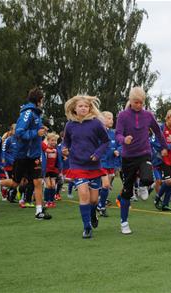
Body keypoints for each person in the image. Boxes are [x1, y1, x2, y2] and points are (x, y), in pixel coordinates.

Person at [0, 88, 51, 220]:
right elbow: (19, 132)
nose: (43, 102)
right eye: (42, 99)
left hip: (34, 155)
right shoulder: (28, 113)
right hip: (23, 155)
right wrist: (36, 133)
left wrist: (41, 129)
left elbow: (33, 129)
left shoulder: (36, 114)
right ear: (39, 100)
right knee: (15, 183)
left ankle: (39, 211)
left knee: (38, 182)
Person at [115, 86, 166, 234]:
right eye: (136, 102)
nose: (138, 105)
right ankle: (124, 222)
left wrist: (164, 147)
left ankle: (144, 186)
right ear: (130, 100)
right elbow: (117, 134)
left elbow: (158, 131)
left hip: (144, 152)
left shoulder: (148, 115)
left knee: (148, 178)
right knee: (126, 191)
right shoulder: (123, 116)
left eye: (141, 103)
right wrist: (125, 139)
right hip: (128, 156)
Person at [62, 95, 110, 239]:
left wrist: (97, 154)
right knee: (84, 195)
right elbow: (66, 142)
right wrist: (64, 149)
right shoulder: (70, 125)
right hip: (77, 164)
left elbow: (105, 141)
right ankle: (87, 227)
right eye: (80, 106)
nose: (83, 108)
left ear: (90, 108)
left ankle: (93, 213)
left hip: (94, 166)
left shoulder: (96, 123)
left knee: (94, 200)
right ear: (74, 109)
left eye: (86, 106)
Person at [154, 109, 171, 212]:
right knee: (168, 181)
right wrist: (163, 148)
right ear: (168, 118)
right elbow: (153, 141)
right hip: (163, 159)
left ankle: (165, 204)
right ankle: (158, 197)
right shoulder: (161, 128)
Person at [97, 111, 120, 217]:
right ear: (102, 119)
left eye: (112, 118)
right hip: (101, 162)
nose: (112, 120)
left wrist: (118, 150)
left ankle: (100, 205)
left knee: (105, 186)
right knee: (106, 184)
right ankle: (101, 205)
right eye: (109, 118)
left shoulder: (114, 133)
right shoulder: (98, 132)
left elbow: (120, 145)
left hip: (111, 163)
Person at [42, 132, 63, 208]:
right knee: (49, 185)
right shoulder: (45, 149)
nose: (54, 142)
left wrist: (59, 169)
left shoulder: (57, 149)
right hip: (46, 170)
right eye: (52, 140)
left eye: (55, 140)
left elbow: (59, 160)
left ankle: (52, 200)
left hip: (53, 170)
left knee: (53, 185)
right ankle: (46, 201)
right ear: (48, 140)